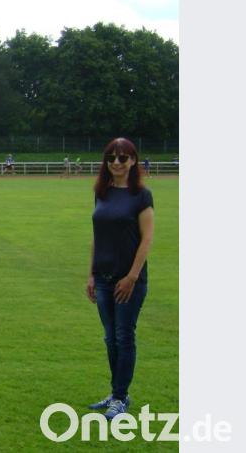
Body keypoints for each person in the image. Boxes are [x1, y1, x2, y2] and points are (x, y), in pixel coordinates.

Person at [85, 137, 154, 420]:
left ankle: (120, 397)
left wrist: (132, 277)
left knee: (124, 337)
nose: (116, 162)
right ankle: (116, 393)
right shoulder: (102, 192)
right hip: (103, 277)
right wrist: (90, 274)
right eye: (111, 157)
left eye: (122, 158)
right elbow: (96, 237)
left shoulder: (142, 195)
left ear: (133, 161)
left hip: (129, 280)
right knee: (110, 338)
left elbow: (147, 239)